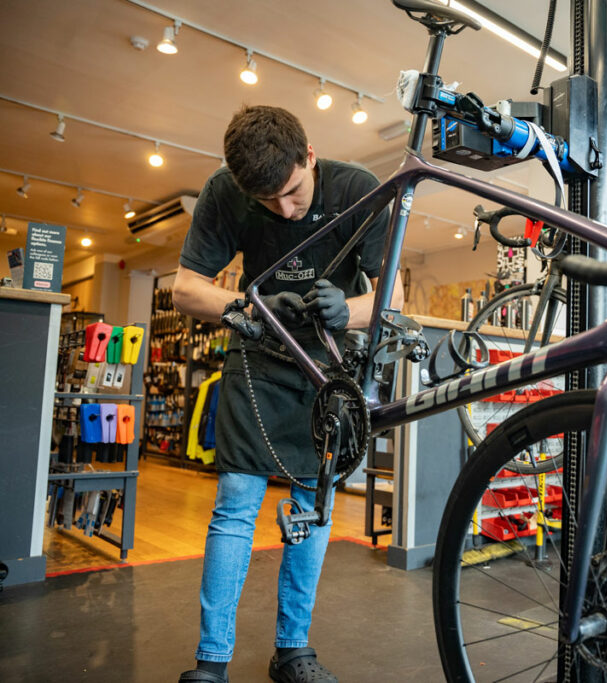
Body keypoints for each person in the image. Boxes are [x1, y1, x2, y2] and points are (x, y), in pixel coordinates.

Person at [173, 105, 401, 683]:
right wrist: (246, 306)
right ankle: (211, 661)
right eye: (268, 202)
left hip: (329, 369)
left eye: (293, 193)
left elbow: (390, 292)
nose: (285, 210)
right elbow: (184, 290)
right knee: (234, 508)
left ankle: (292, 649)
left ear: (310, 157)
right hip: (258, 356)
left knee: (312, 510)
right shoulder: (226, 191)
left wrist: (346, 310)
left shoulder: (358, 189)